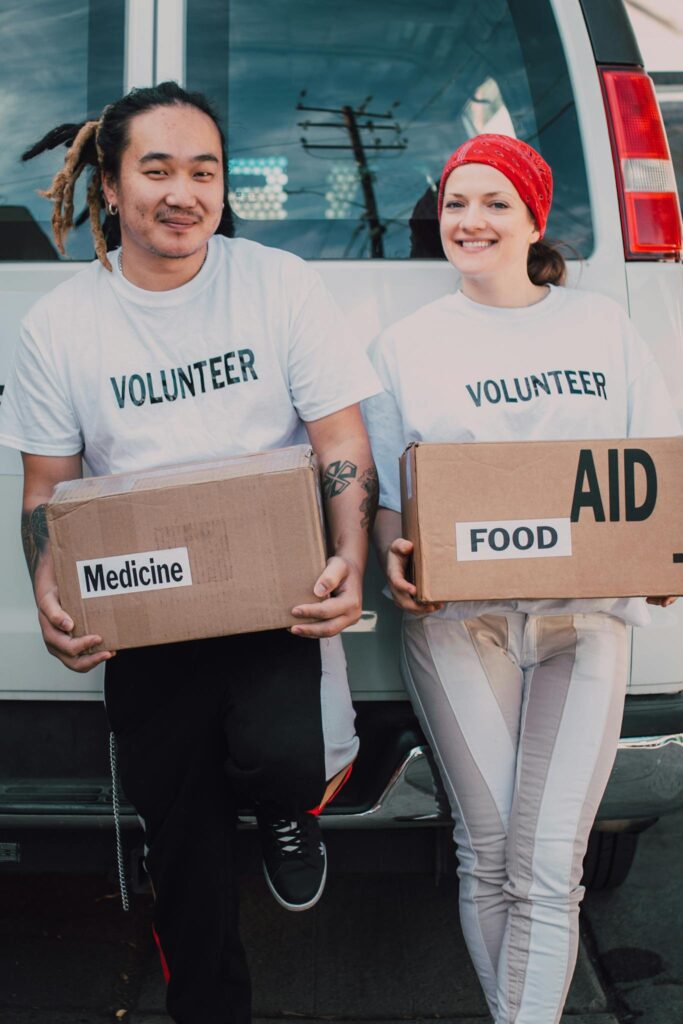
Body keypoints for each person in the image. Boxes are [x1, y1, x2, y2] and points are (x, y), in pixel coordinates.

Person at [0, 81, 381, 1024]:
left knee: (287, 759)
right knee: (184, 853)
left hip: (273, 597)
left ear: (223, 184)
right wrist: (50, 592)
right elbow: (47, 487)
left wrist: (350, 560)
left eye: (202, 170)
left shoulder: (277, 283)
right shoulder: (59, 326)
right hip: (146, 609)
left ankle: (290, 809)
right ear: (111, 185)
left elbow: (340, 438)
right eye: (157, 169)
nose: (183, 192)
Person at [363, 133, 680, 1024]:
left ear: (533, 218)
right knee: (490, 847)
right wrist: (395, 552)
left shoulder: (600, 328)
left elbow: (653, 468)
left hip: (585, 620)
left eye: (495, 203)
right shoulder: (407, 345)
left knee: (547, 865)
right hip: (461, 624)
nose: (472, 221)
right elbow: (393, 496)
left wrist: (661, 555)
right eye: (456, 204)